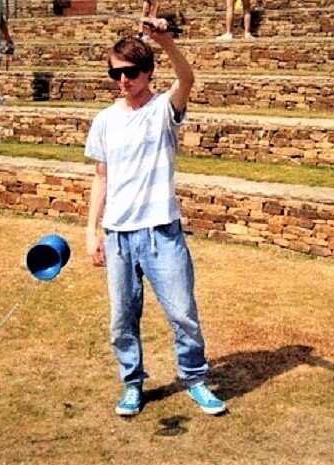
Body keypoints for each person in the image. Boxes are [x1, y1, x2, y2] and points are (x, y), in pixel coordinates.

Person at [84, 20, 226, 417]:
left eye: (130, 72)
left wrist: (164, 41)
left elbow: (188, 78)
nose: (123, 80)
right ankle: (132, 384)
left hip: (161, 232)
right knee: (121, 319)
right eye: (116, 72)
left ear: (148, 73)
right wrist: (90, 231)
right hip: (118, 236)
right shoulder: (104, 120)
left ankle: (195, 379)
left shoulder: (163, 109)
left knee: (183, 312)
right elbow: (101, 177)